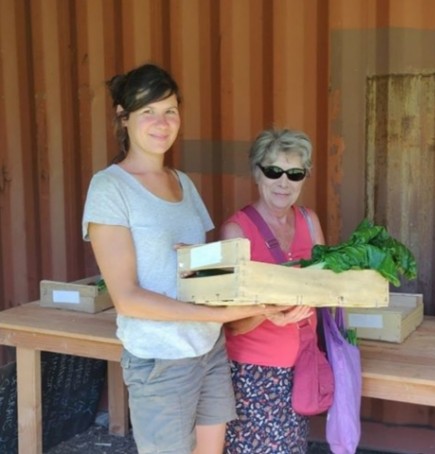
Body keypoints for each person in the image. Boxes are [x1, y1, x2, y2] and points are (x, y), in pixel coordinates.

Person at [81, 63, 284, 454]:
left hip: (207, 350)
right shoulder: (110, 188)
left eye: (170, 110)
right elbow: (128, 298)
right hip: (161, 359)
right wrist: (225, 316)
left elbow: (203, 270)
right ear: (124, 119)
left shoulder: (183, 182)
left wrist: (267, 305)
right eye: (148, 112)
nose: (162, 122)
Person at [219, 128, 325, 453]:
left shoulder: (309, 221)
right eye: (273, 171)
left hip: (302, 363)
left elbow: (325, 286)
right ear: (257, 173)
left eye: (294, 173)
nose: (284, 183)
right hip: (254, 373)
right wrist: (270, 312)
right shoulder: (236, 230)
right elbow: (226, 319)